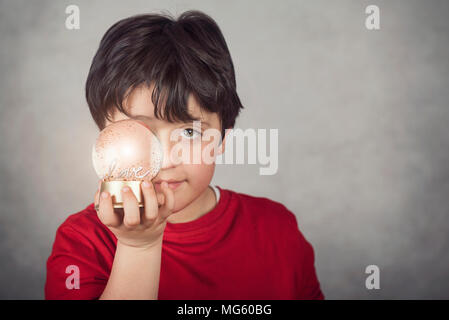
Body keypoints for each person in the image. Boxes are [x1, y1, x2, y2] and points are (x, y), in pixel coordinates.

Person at [45, 10, 324, 300]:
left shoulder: (277, 230)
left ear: (223, 138)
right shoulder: (81, 241)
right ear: (104, 136)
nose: (165, 160)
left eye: (190, 133)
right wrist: (139, 247)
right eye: (140, 132)